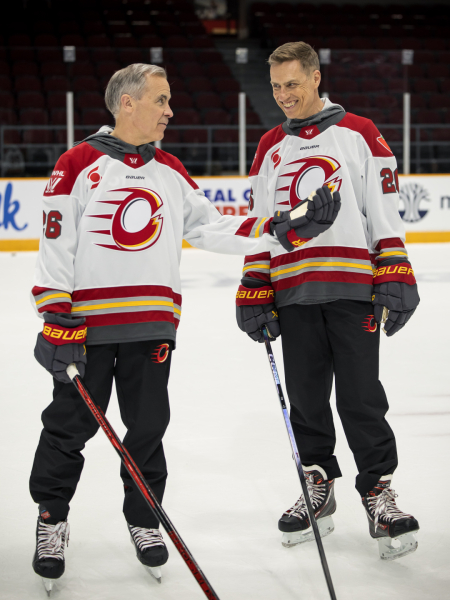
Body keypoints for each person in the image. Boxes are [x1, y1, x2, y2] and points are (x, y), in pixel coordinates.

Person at [30, 63, 342, 592]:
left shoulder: (170, 169)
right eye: (161, 100)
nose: (170, 111)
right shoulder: (78, 163)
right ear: (127, 103)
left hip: (152, 325)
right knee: (68, 428)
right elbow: (55, 247)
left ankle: (145, 519)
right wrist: (56, 319)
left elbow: (212, 226)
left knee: (148, 428)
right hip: (86, 330)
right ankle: (51, 519)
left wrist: (283, 228)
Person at [235, 42, 420, 561]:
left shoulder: (359, 133)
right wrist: (254, 280)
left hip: (352, 288)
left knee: (361, 397)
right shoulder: (269, 145)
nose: (283, 95)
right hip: (292, 291)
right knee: (306, 398)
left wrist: (395, 267)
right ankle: (318, 483)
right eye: (276, 86)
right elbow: (259, 224)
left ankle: (378, 491)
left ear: (316, 77)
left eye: (292, 83)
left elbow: (383, 209)